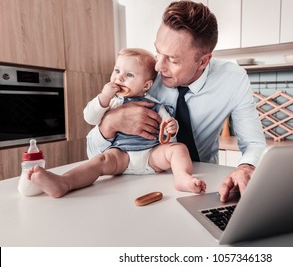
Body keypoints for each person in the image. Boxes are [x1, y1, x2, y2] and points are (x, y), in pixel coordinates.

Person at [86, 0, 266, 202]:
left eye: (173, 60)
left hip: (203, 182)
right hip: (138, 182)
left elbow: (253, 142)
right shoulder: (143, 75)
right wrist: (110, 123)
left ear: (203, 61)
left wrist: (246, 167)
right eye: (158, 52)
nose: (158, 67)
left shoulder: (233, 79)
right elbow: (92, 153)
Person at [27, 48, 206, 198]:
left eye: (129, 75)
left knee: (179, 149)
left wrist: (172, 127)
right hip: (121, 156)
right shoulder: (111, 102)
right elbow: (90, 118)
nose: (119, 78)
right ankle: (64, 182)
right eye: (117, 71)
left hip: (152, 155)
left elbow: (168, 127)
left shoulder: (155, 103)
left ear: (146, 85)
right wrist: (104, 97)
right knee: (100, 160)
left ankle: (182, 177)